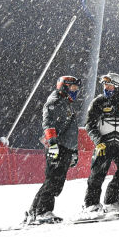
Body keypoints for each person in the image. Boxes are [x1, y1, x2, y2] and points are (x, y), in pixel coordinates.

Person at [24, 75, 80, 224]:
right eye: (72, 88)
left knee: (55, 180)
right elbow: (48, 124)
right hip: (58, 146)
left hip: (66, 147)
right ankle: (43, 211)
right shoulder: (54, 102)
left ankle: (34, 210)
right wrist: (53, 144)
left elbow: (71, 131)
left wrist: (74, 151)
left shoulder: (66, 102)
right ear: (63, 86)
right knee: (53, 180)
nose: (75, 91)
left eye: (76, 88)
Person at [83, 72, 119, 215]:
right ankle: (91, 205)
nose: (106, 88)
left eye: (109, 85)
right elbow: (90, 125)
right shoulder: (98, 102)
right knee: (97, 174)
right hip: (104, 145)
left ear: (118, 86)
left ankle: (111, 201)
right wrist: (98, 141)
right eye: (104, 85)